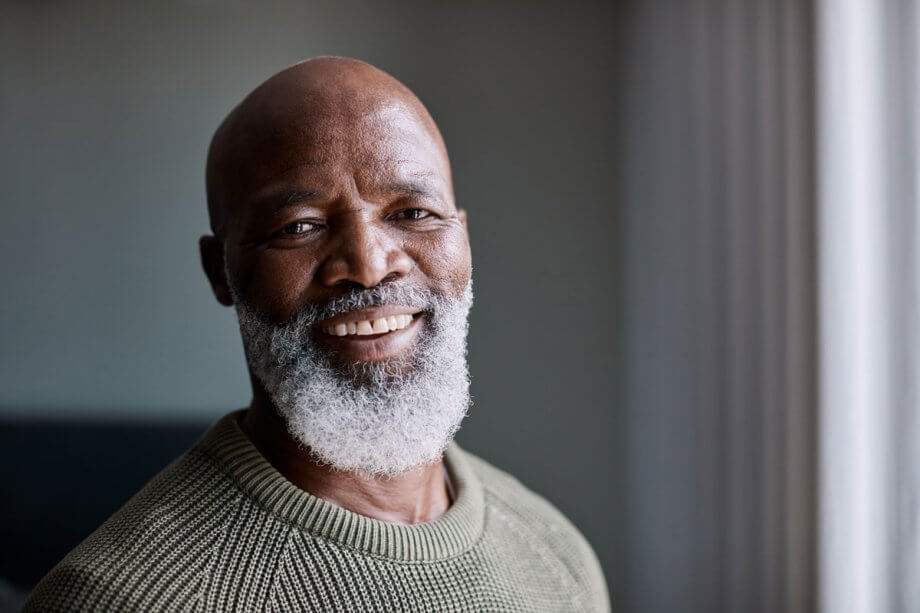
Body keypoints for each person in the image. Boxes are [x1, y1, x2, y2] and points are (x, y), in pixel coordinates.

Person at [25, 57, 610, 612]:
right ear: (220, 271)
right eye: (299, 226)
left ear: (463, 240)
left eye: (412, 213)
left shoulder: (555, 550)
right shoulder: (121, 598)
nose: (368, 263)